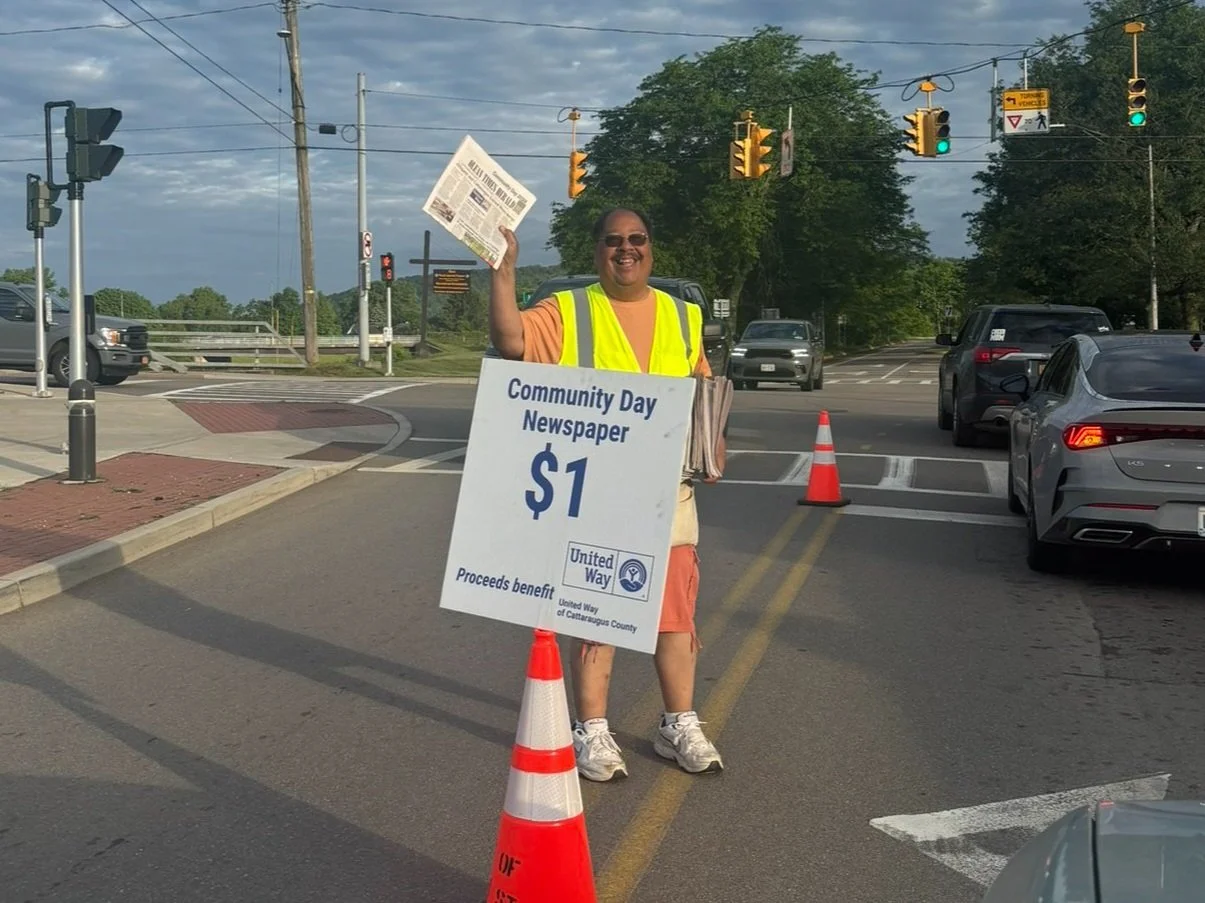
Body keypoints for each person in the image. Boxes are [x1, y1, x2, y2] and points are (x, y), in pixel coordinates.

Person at [488, 207, 725, 781]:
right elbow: (512, 340)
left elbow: (699, 385)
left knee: (674, 617)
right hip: (596, 490)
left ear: (651, 247)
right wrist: (502, 271)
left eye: (637, 239)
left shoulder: (683, 315)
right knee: (598, 612)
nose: (626, 249)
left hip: (666, 491)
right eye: (614, 241)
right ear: (597, 250)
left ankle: (679, 724)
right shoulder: (568, 311)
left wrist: (710, 446)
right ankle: (592, 730)